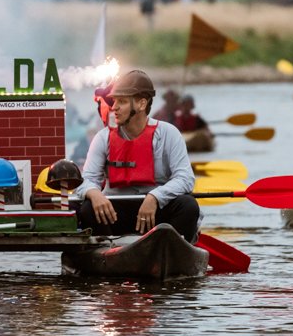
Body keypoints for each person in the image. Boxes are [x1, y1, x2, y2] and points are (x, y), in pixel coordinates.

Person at [73, 69, 200, 239]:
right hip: (116, 212)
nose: (114, 107)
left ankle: (168, 247)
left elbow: (185, 178)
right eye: (114, 101)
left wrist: (155, 196)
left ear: (141, 104)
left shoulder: (169, 133)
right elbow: (86, 180)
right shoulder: (102, 138)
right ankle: (107, 250)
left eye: (122, 102)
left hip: (156, 212)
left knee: (188, 205)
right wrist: (94, 193)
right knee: (88, 207)